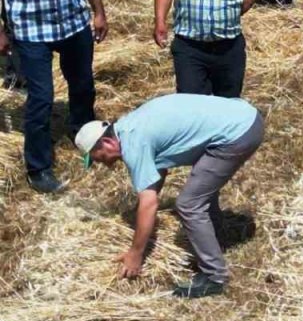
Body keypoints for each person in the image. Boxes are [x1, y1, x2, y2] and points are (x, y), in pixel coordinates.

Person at [76, 94, 266, 298]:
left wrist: (135, 253)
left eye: (99, 158)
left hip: (237, 133)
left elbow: (149, 204)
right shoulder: (130, 126)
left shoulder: (134, 144)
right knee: (200, 188)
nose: (103, 164)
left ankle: (214, 277)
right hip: (243, 117)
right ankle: (215, 236)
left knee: (189, 204)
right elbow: (157, 171)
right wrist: (144, 203)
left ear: (107, 142)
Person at [0, 0, 107, 193]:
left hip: (73, 23)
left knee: (83, 84)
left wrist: (98, 11)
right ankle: (39, 167)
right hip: (32, 30)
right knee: (41, 98)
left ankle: (84, 134)